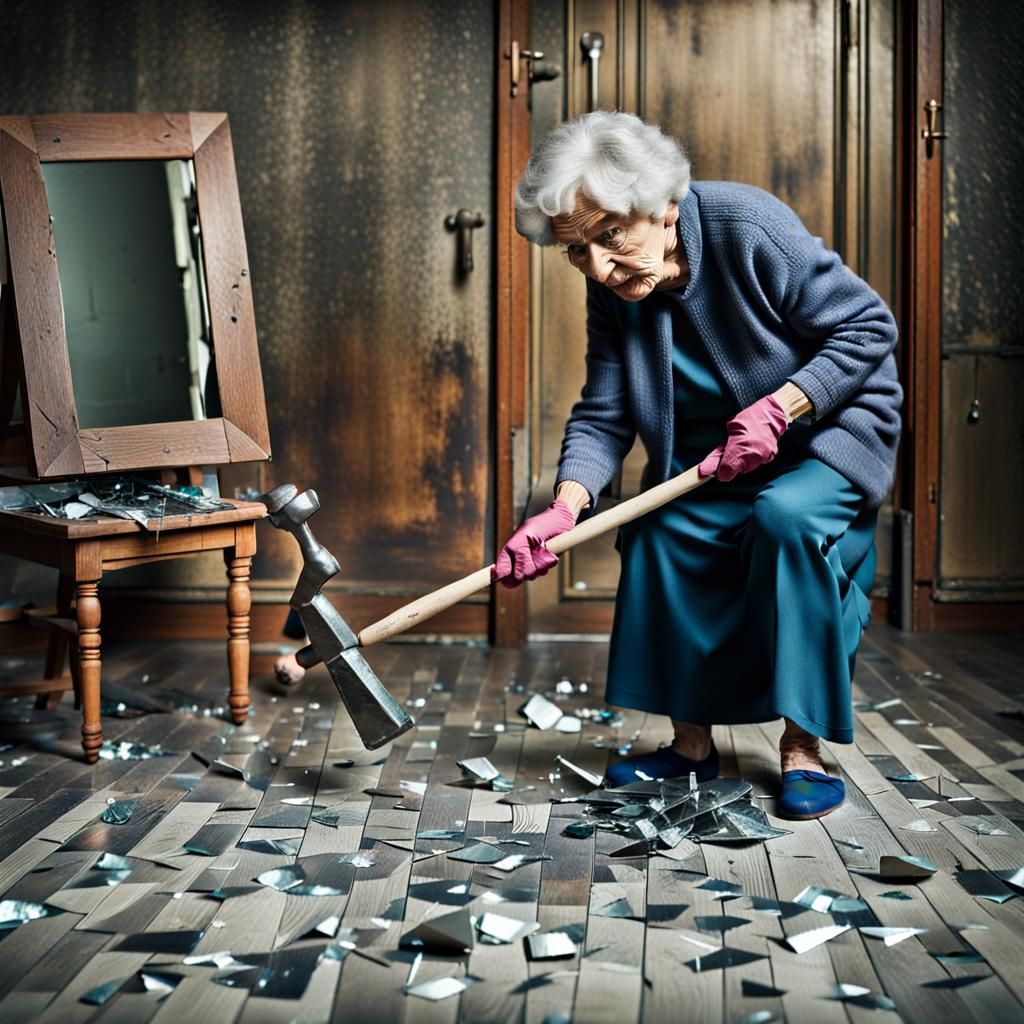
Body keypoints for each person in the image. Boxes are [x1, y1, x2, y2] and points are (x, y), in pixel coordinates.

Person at [495, 111, 901, 820]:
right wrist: (563, 509)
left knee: (784, 518)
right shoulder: (613, 287)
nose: (596, 267)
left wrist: (784, 407)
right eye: (577, 252)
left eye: (610, 239)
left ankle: (802, 748)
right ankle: (690, 748)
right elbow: (606, 409)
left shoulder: (750, 227)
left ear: (666, 206)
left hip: (826, 433)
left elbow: (869, 326)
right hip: (713, 458)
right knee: (657, 531)